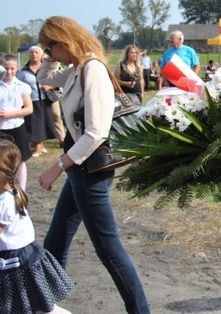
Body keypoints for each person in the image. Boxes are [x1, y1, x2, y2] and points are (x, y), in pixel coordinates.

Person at [37, 16, 151, 313]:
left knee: (108, 248)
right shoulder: (75, 69)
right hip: (79, 169)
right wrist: (48, 59)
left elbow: (96, 132)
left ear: (64, 41)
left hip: (90, 171)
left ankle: (141, 311)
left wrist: (57, 166)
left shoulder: (93, 69)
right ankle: (44, 302)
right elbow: (44, 80)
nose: (49, 55)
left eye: (50, 48)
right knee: (57, 238)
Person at [0, 138, 74, 314]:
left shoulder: (4, 202)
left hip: (16, 261)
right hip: (26, 255)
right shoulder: (13, 190)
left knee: (25, 305)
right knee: (38, 305)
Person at [17, 46, 58, 157]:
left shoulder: (46, 68)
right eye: (31, 53)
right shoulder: (23, 71)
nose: (34, 55)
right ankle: (37, 148)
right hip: (31, 100)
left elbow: (57, 80)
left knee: (44, 123)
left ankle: (42, 145)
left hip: (46, 99)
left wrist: (49, 86)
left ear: (41, 55)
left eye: (36, 52)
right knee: (34, 124)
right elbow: (19, 84)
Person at [0, 54, 33, 190]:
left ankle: (21, 190)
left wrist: (10, 114)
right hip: (1, 128)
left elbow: (29, 109)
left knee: (21, 160)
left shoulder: (22, 86)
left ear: (17, 68)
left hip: (17, 126)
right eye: (6, 68)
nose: (9, 71)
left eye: (12, 68)